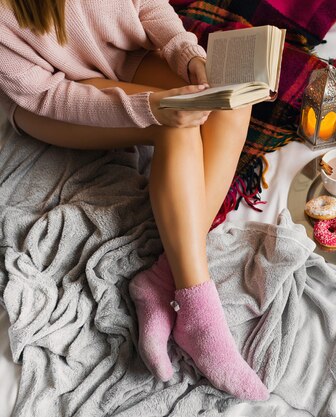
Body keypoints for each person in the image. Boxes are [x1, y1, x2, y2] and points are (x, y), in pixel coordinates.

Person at [0, 0, 269, 401]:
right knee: (173, 128)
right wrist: (148, 108)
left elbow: (148, 7)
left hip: (127, 59)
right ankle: (200, 310)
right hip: (51, 99)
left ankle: (162, 275)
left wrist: (186, 53)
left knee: (233, 98)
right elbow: (48, 95)